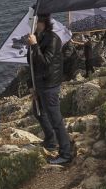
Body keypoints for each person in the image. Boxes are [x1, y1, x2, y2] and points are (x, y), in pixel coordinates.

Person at [27, 13, 73, 165]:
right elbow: (32, 64)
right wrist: (32, 86)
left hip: (49, 85)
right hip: (40, 84)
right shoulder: (37, 36)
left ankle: (65, 153)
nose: (31, 24)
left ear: (42, 22)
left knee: (55, 119)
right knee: (38, 111)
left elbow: (45, 62)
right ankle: (51, 141)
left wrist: (34, 45)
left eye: (33, 21)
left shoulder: (52, 39)